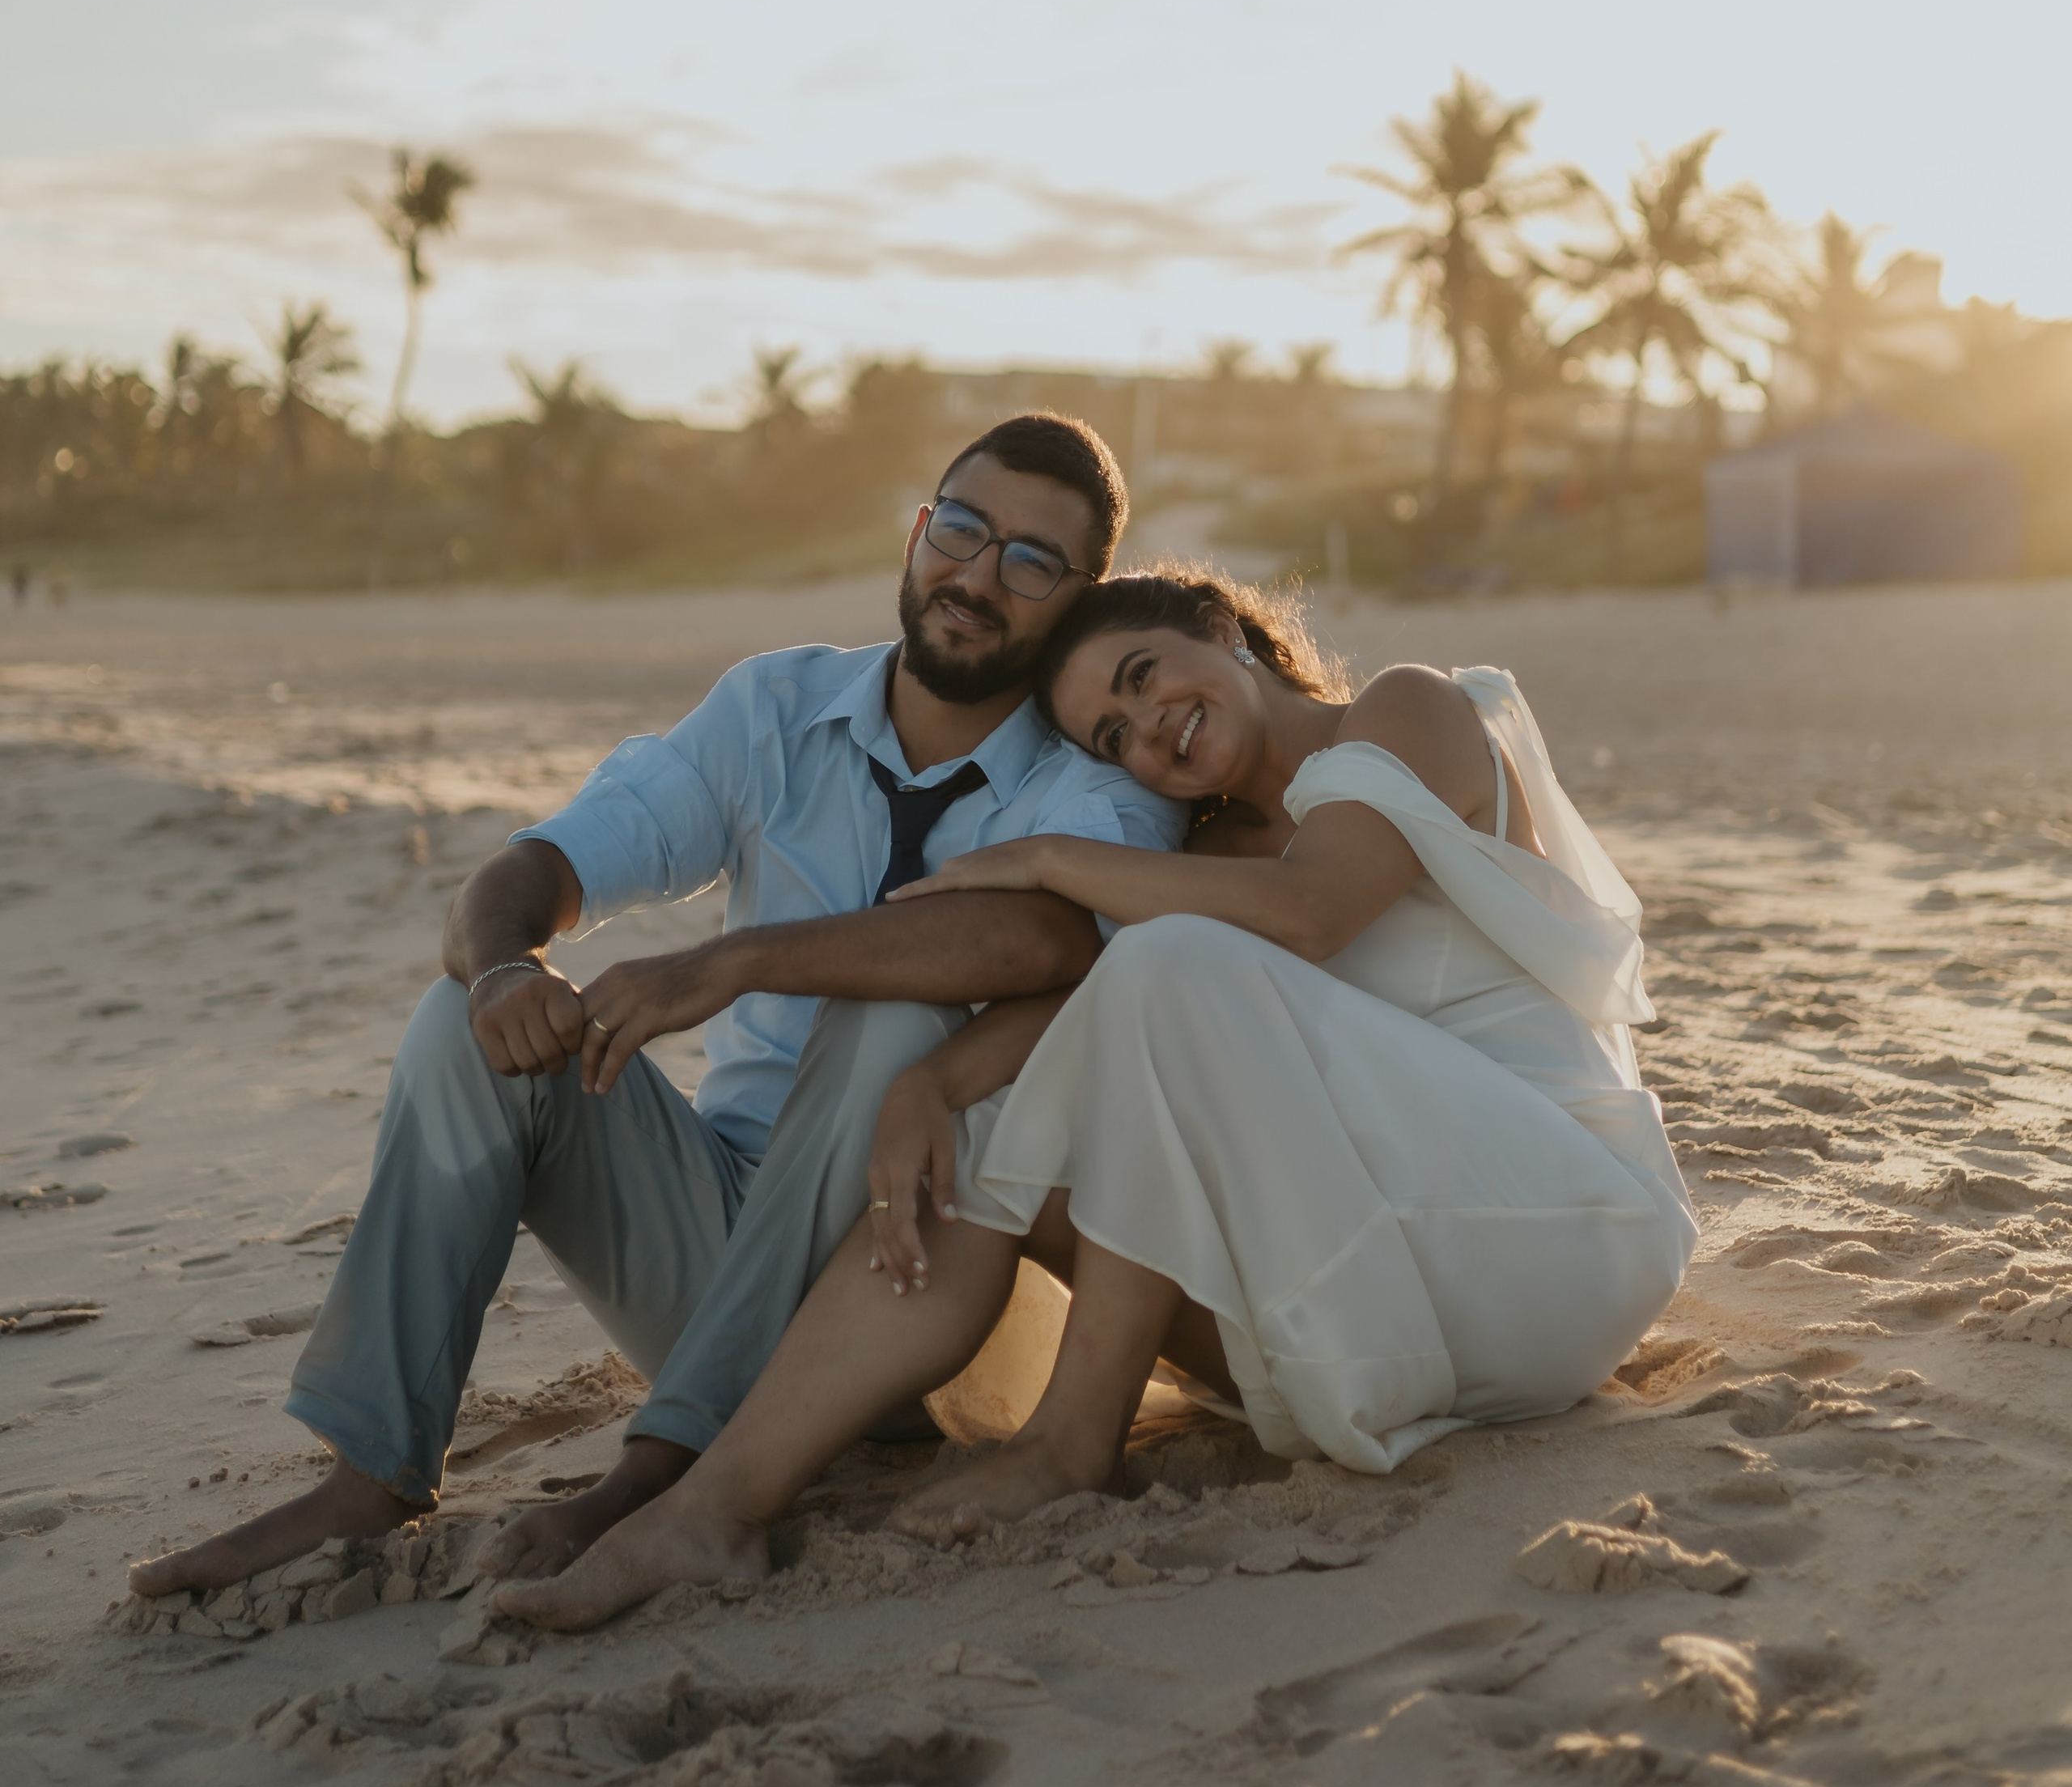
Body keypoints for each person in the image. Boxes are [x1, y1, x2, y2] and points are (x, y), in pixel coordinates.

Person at [495, 564, 1696, 1628]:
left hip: (1557, 1245)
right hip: (1394, 1313)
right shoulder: (1198, 871)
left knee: (1163, 965)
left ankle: (1073, 1442)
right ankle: (715, 1510)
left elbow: (1314, 912)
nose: (1148, 728)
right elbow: (1099, 1016)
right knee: (992, 1136)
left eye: (1142, 676)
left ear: (1223, 630)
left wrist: (1051, 858)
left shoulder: (1406, 710)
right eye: (1112, 738)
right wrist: (930, 1083)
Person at [129, 417, 1182, 1603]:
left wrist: (738, 962)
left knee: (895, 1024)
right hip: (711, 1233)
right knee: (464, 1022)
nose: (978, 578)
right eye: (963, 530)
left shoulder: (1098, 779)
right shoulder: (776, 708)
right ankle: (373, 1470)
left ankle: (659, 1473)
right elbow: (533, 871)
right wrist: (506, 971)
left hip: (914, 1298)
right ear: (916, 533)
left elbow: (1047, 937)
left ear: (1080, 603)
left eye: (1031, 562)